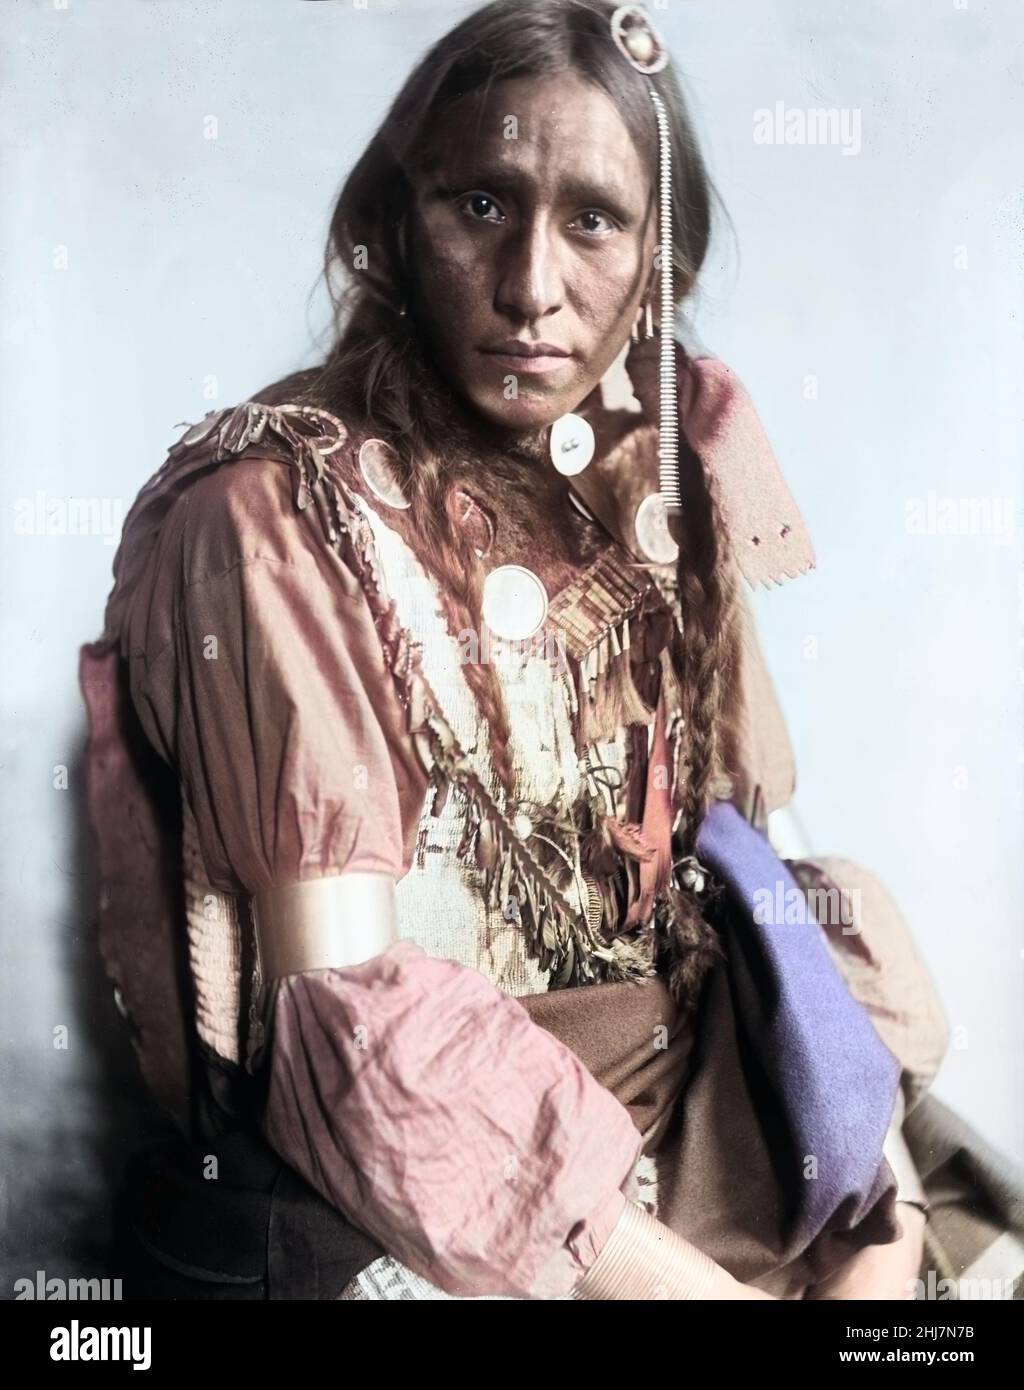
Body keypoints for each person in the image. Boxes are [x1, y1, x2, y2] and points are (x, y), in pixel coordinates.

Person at [80, 0, 974, 1302]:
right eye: (481, 206)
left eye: (595, 220)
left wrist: (872, 1205)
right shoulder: (274, 517)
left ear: (659, 252)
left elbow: (759, 869)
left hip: (688, 1115)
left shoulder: (672, 462)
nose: (534, 288)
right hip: (413, 1191)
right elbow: (355, 1035)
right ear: (388, 226)